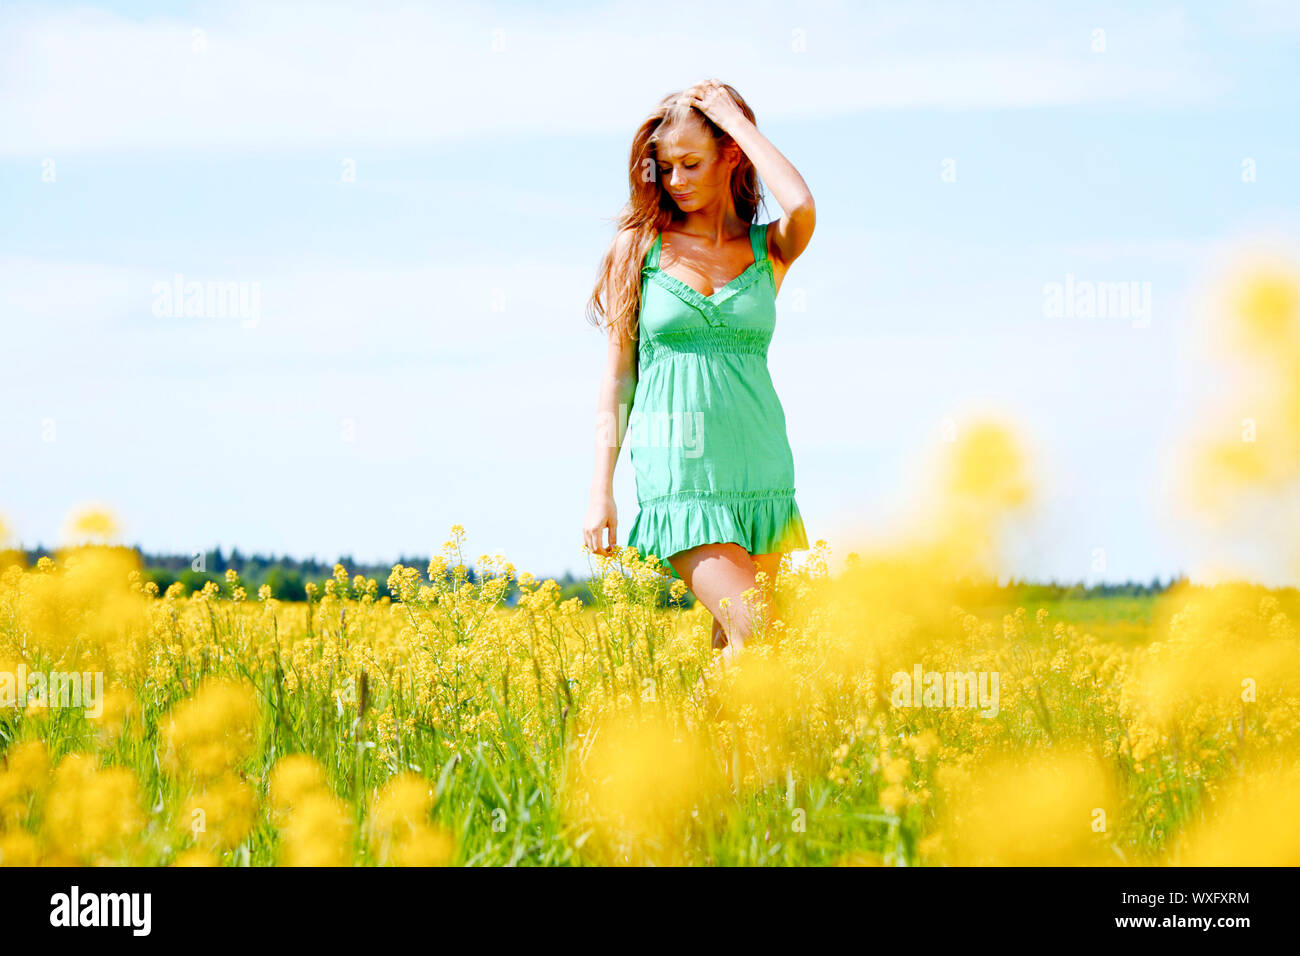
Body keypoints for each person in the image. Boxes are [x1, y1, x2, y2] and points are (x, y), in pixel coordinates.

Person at [583, 78, 815, 668]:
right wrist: (600, 490)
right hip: (681, 473)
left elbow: (802, 206)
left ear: (730, 156)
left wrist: (737, 122)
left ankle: (710, 759)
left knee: (754, 655)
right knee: (756, 634)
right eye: (665, 167)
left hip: (762, 471)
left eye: (691, 162)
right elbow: (618, 379)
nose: (676, 180)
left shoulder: (770, 250)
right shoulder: (638, 250)